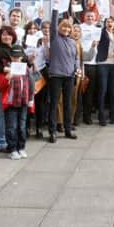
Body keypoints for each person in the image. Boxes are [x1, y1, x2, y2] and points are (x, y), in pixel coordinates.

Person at [0, 45, 34, 160]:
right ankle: (12, 149)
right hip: (11, 102)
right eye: (13, 57)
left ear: (22, 57)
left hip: (23, 101)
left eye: (18, 57)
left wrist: (31, 99)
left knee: (22, 126)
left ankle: (21, 147)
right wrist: (7, 78)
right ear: (10, 57)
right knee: (11, 126)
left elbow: (31, 84)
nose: (15, 59)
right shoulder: (6, 68)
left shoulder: (26, 68)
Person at [47, 9, 79, 143]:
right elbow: (53, 24)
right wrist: (56, 9)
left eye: (68, 27)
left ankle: (67, 129)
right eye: (64, 26)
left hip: (69, 76)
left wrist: (76, 68)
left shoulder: (72, 42)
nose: (66, 29)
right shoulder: (54, 37)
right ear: (60, 28)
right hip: (56, 75)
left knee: (67, 104)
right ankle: (52, 131)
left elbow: (76, 57)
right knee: (54, 104)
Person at [96, 17, 114, 126]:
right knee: (102, 90)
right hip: (103, 64)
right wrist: (105, 54)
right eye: (108, 22)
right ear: (105, 24)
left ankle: (112, 116)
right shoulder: (101, 33)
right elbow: (97, 46)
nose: (110, 23)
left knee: (113, 91)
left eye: (111, 22)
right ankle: (101, 117)